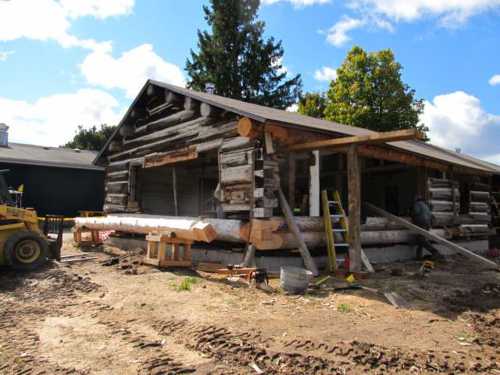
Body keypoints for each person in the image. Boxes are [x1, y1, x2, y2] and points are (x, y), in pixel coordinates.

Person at [411, 196, 443, 260]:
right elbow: (431, 215)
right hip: (427, 224)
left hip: (421, 223)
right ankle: (419, 256)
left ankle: (435, 252)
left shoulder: (417, 204)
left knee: (421, 239)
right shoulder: (426, 205)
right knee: (421, 239)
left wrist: (411, 214)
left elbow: (416, 212)